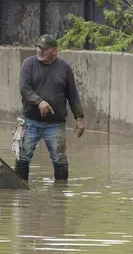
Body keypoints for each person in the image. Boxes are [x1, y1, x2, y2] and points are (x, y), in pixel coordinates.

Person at [14, 34, 85, 181]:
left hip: (55, 124)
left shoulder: (64, 68)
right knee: (22, 158)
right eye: (38, 47)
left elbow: (72, 94)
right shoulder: (29, 64)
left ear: (54, 50)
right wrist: (39, 101)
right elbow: (24, 88)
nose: (39, 51)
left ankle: (60, 197)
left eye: (44, 49)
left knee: (60, 161)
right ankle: (20, 195)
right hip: (30, 121)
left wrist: (79, 117)